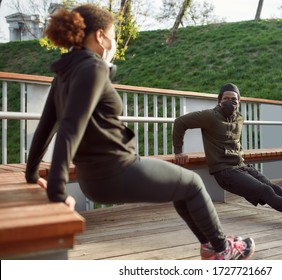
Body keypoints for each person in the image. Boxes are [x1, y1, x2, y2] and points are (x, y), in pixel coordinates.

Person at [24, 5, 255, 260]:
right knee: (194, 184)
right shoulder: (93, 68)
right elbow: (69, 127)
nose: (114, 42)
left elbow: (47, 126)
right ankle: (222, 249)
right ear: (99, 36)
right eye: (113, 35)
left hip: (92, 179)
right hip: (117, 170)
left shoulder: (64, 76)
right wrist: (57, 191)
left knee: (182, 185)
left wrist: (32, 173)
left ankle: (212, 247)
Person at [173, 83, 282, 239]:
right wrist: (178, 151)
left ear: (239, 101)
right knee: (266, 191)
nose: (230, 101)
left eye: (233, 99)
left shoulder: (238, 118)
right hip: (225, 172)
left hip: (241, 166)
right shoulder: (209, 116)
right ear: (219, 101)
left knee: (277, 190)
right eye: (226, 98)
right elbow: (180, 122)